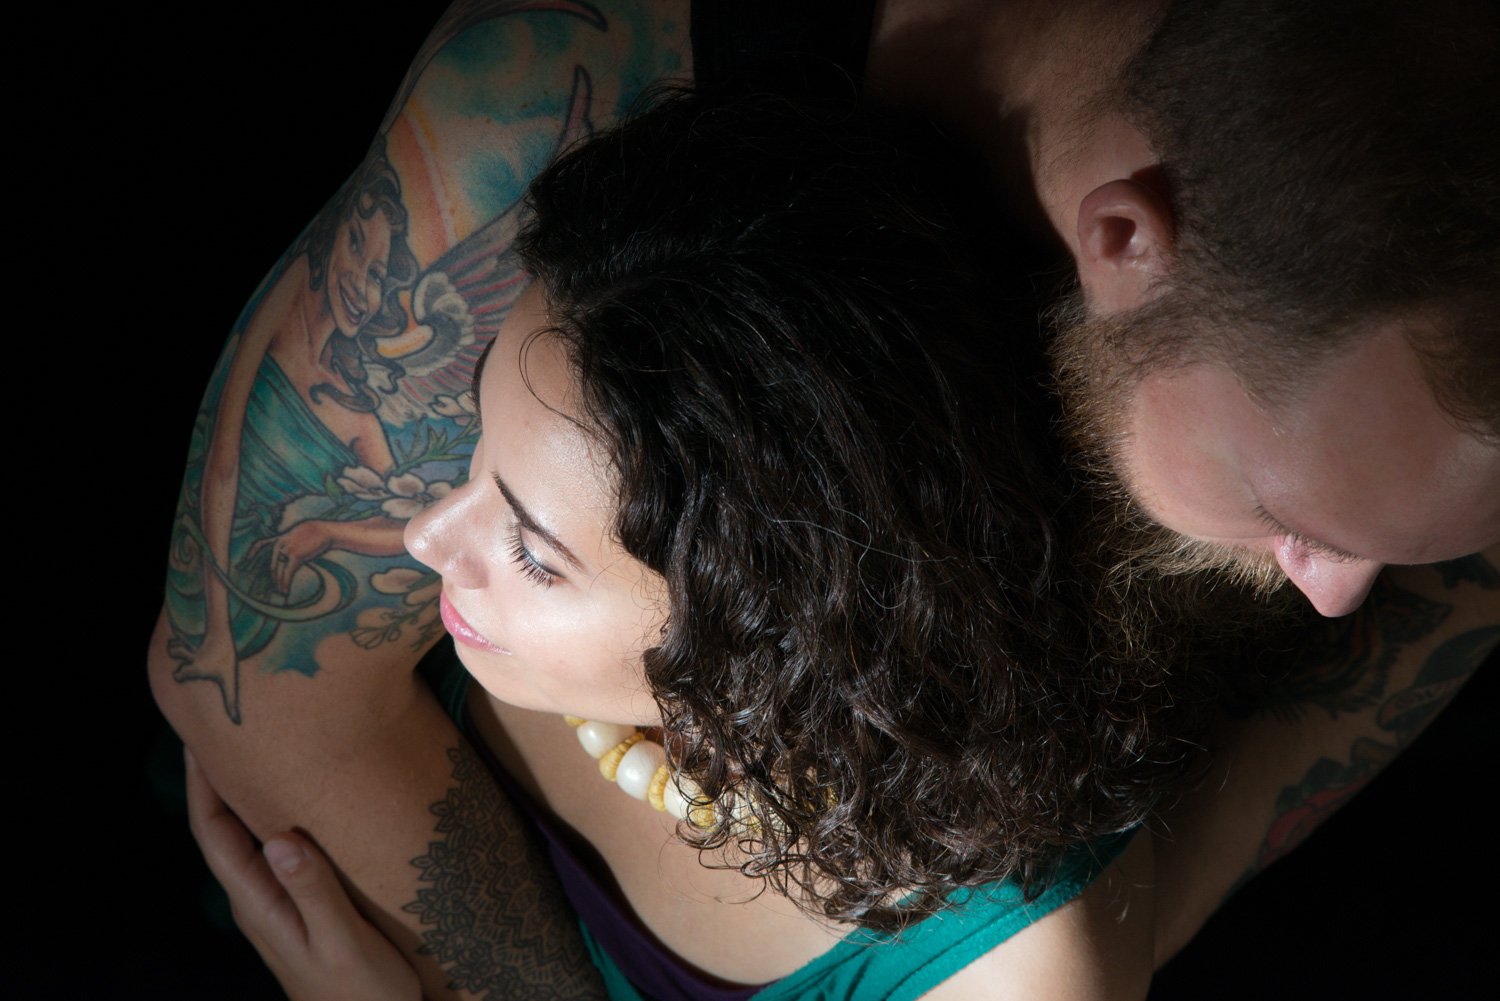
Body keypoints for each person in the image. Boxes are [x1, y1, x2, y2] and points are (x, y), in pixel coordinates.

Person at [149, 0, 1500, 995]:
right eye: (1289, 507)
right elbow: (257, 680)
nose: (1335, 597)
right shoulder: (578, 93)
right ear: (1124, 238)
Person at [198, 88, 1186, 999]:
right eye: (476, 443)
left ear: (771, 639)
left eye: (536, 552)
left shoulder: (1013, 969)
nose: (423, 536)